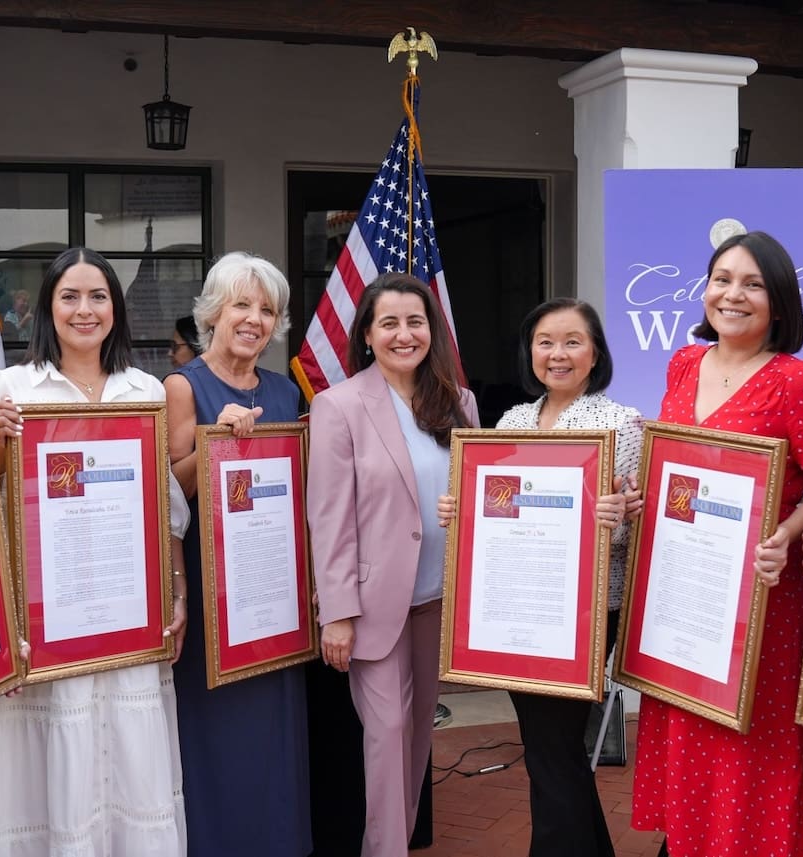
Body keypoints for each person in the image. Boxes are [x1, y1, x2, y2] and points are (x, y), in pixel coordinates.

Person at [630, 231, 803, 857]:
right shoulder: (682, 364)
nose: (733, 294)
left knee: (751, 749)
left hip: (763, 601)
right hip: (684, 590)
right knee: (690, 729)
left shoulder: (801, 381)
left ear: (778, 303)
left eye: (752, 283)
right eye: (722, 278)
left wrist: (785, 531)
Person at [0, 247, 190, 856]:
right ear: (47, 306)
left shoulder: (144, 391)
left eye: (98, 296)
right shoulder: (7, 389)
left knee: (130, 764)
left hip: (126, 621)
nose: (84, 309)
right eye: (70, 296)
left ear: (116, 310)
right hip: (43, 627)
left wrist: (177, 590)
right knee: (46, 777)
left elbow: (163, 508)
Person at [438, 297, 642, 856]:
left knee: (552, 745)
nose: (557, 354)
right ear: (529, 351)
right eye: (545, 341)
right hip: (518, 606)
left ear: (595, 352)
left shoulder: (618, 423)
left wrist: (617, 519)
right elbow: (498, 514)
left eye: (573, 341)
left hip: (585, 609)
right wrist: (461, 511)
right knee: (550, 748)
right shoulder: (512, 421)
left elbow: (632, 526)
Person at [308, 273, 479, 856]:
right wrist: (336, 613)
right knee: (386, 737)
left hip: (437, 598)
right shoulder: (339, 405)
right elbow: (328, 517)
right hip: (372, 606)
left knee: (416, 743)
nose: (404, 335)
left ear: (432, 330)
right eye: (390, 323)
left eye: (415, 322)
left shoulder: (459, 402)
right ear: (367, 333)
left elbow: (483, 497)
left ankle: (393, 845)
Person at [163, 250, 312, 857]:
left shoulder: (285, 391)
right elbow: (172, 488)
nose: (253, 319)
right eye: (241, 305)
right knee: (215, 730)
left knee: (273, 732)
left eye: (266, 309)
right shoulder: (183, 385)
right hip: (209, 588)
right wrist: (214, 440)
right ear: (213, 312)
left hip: (275, 594)